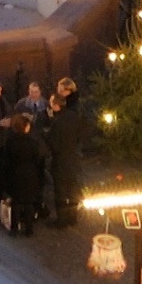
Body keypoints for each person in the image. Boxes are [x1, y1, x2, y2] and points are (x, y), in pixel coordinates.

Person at [47, 81, 85, 228]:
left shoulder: (57, 122)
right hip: (73, 158)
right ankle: (73, 217)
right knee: (73, 188)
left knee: (61, 191)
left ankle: (62, 220)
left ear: (56, 105)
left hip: (61, 161)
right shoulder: (73, 116)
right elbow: (84, 128)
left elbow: (52, 143)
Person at [4, 112, 46, 236]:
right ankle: (29, 229)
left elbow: (6, 159)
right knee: (28, 203)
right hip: (30, 174)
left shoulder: (10, 141)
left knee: (16, 202)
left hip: (15, 174)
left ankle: (14, 229)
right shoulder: (32, 142)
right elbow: (38, 159)